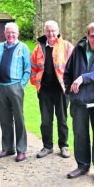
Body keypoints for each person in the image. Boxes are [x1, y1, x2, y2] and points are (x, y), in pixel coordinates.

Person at [63, 21, 94, 185]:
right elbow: (68, 72)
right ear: (87, 35)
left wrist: (84, 77)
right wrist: (69, 90)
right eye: (92, 36)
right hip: (79, 99)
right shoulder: (78, 49)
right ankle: (83, 165)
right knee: (80, 132)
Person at [30, 20, 73, 159]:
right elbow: (33, 67)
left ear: (58, 31)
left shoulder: (67, 46)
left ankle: (64, 146)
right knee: (45, 120)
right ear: (45, 32)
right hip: (44, 90)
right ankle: (47, 146)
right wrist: (36, 83)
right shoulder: (38, 48)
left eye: (53, 30)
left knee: (62, 119)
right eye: (48, 31)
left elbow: (74, 67)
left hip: (61, 90)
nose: (51, 33)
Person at [0, 22, 31, 162]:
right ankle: (8, 148)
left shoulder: (23, 48)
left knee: (19, 118)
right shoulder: (0, 47)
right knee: (5, 119)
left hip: (15, 87)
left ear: (18, 34)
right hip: (0, 87)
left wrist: (21, 85)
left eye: (14, 32)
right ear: (4, 33)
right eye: (8, 32)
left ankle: (21, 149)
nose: (11, 35)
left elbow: (28, 69)